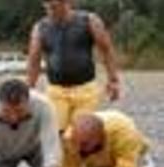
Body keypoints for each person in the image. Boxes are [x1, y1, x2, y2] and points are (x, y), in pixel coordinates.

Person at [27, 0, 121, 132]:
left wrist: (113, 80)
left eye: (54, 7)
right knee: (55, 132)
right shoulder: (40, 28)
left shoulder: (89, 20)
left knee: (81, 132)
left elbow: (106, 49)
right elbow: (34, 60)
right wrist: (28, 89)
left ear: (68, 2)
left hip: (85, 89)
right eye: (47, 6)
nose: (50, 11)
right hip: (56, 90)